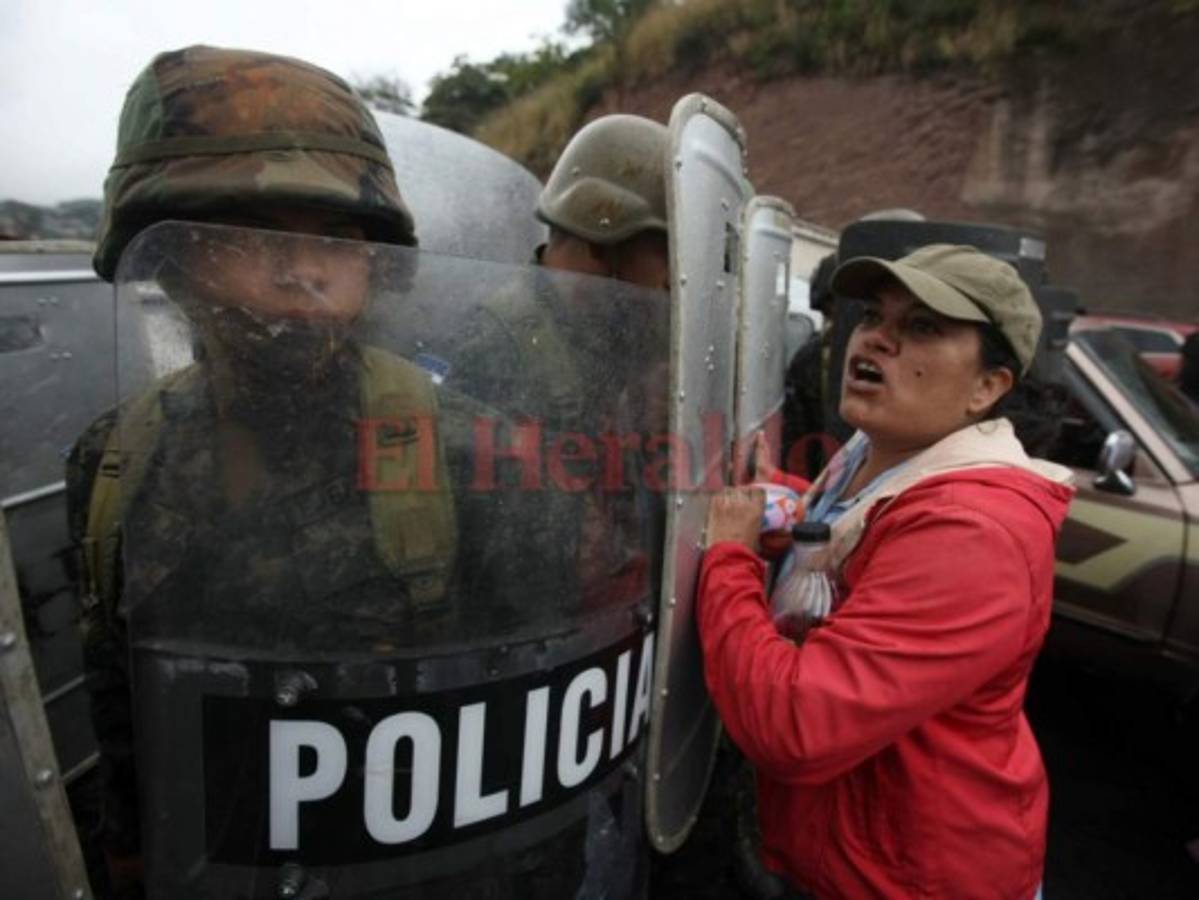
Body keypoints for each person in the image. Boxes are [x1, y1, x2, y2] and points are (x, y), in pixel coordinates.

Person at [67, 44, 463, 898]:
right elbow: (118, 685)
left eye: (340, 239)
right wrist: (128, 849)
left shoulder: (462, 452)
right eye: (253, 235)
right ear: (167, 259)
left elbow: (530, 731)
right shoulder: (113, 463)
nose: (305, 271)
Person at [697, 244, 1075, 898]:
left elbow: (794, 724)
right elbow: (850, 531)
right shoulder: (879, 447)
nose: (876, 337)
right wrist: (780, 500)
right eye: (874, 315)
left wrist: (727, 557)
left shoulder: (972, 533)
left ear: (987, 388)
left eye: (923, 327)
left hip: (909, 879)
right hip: (847, 853)